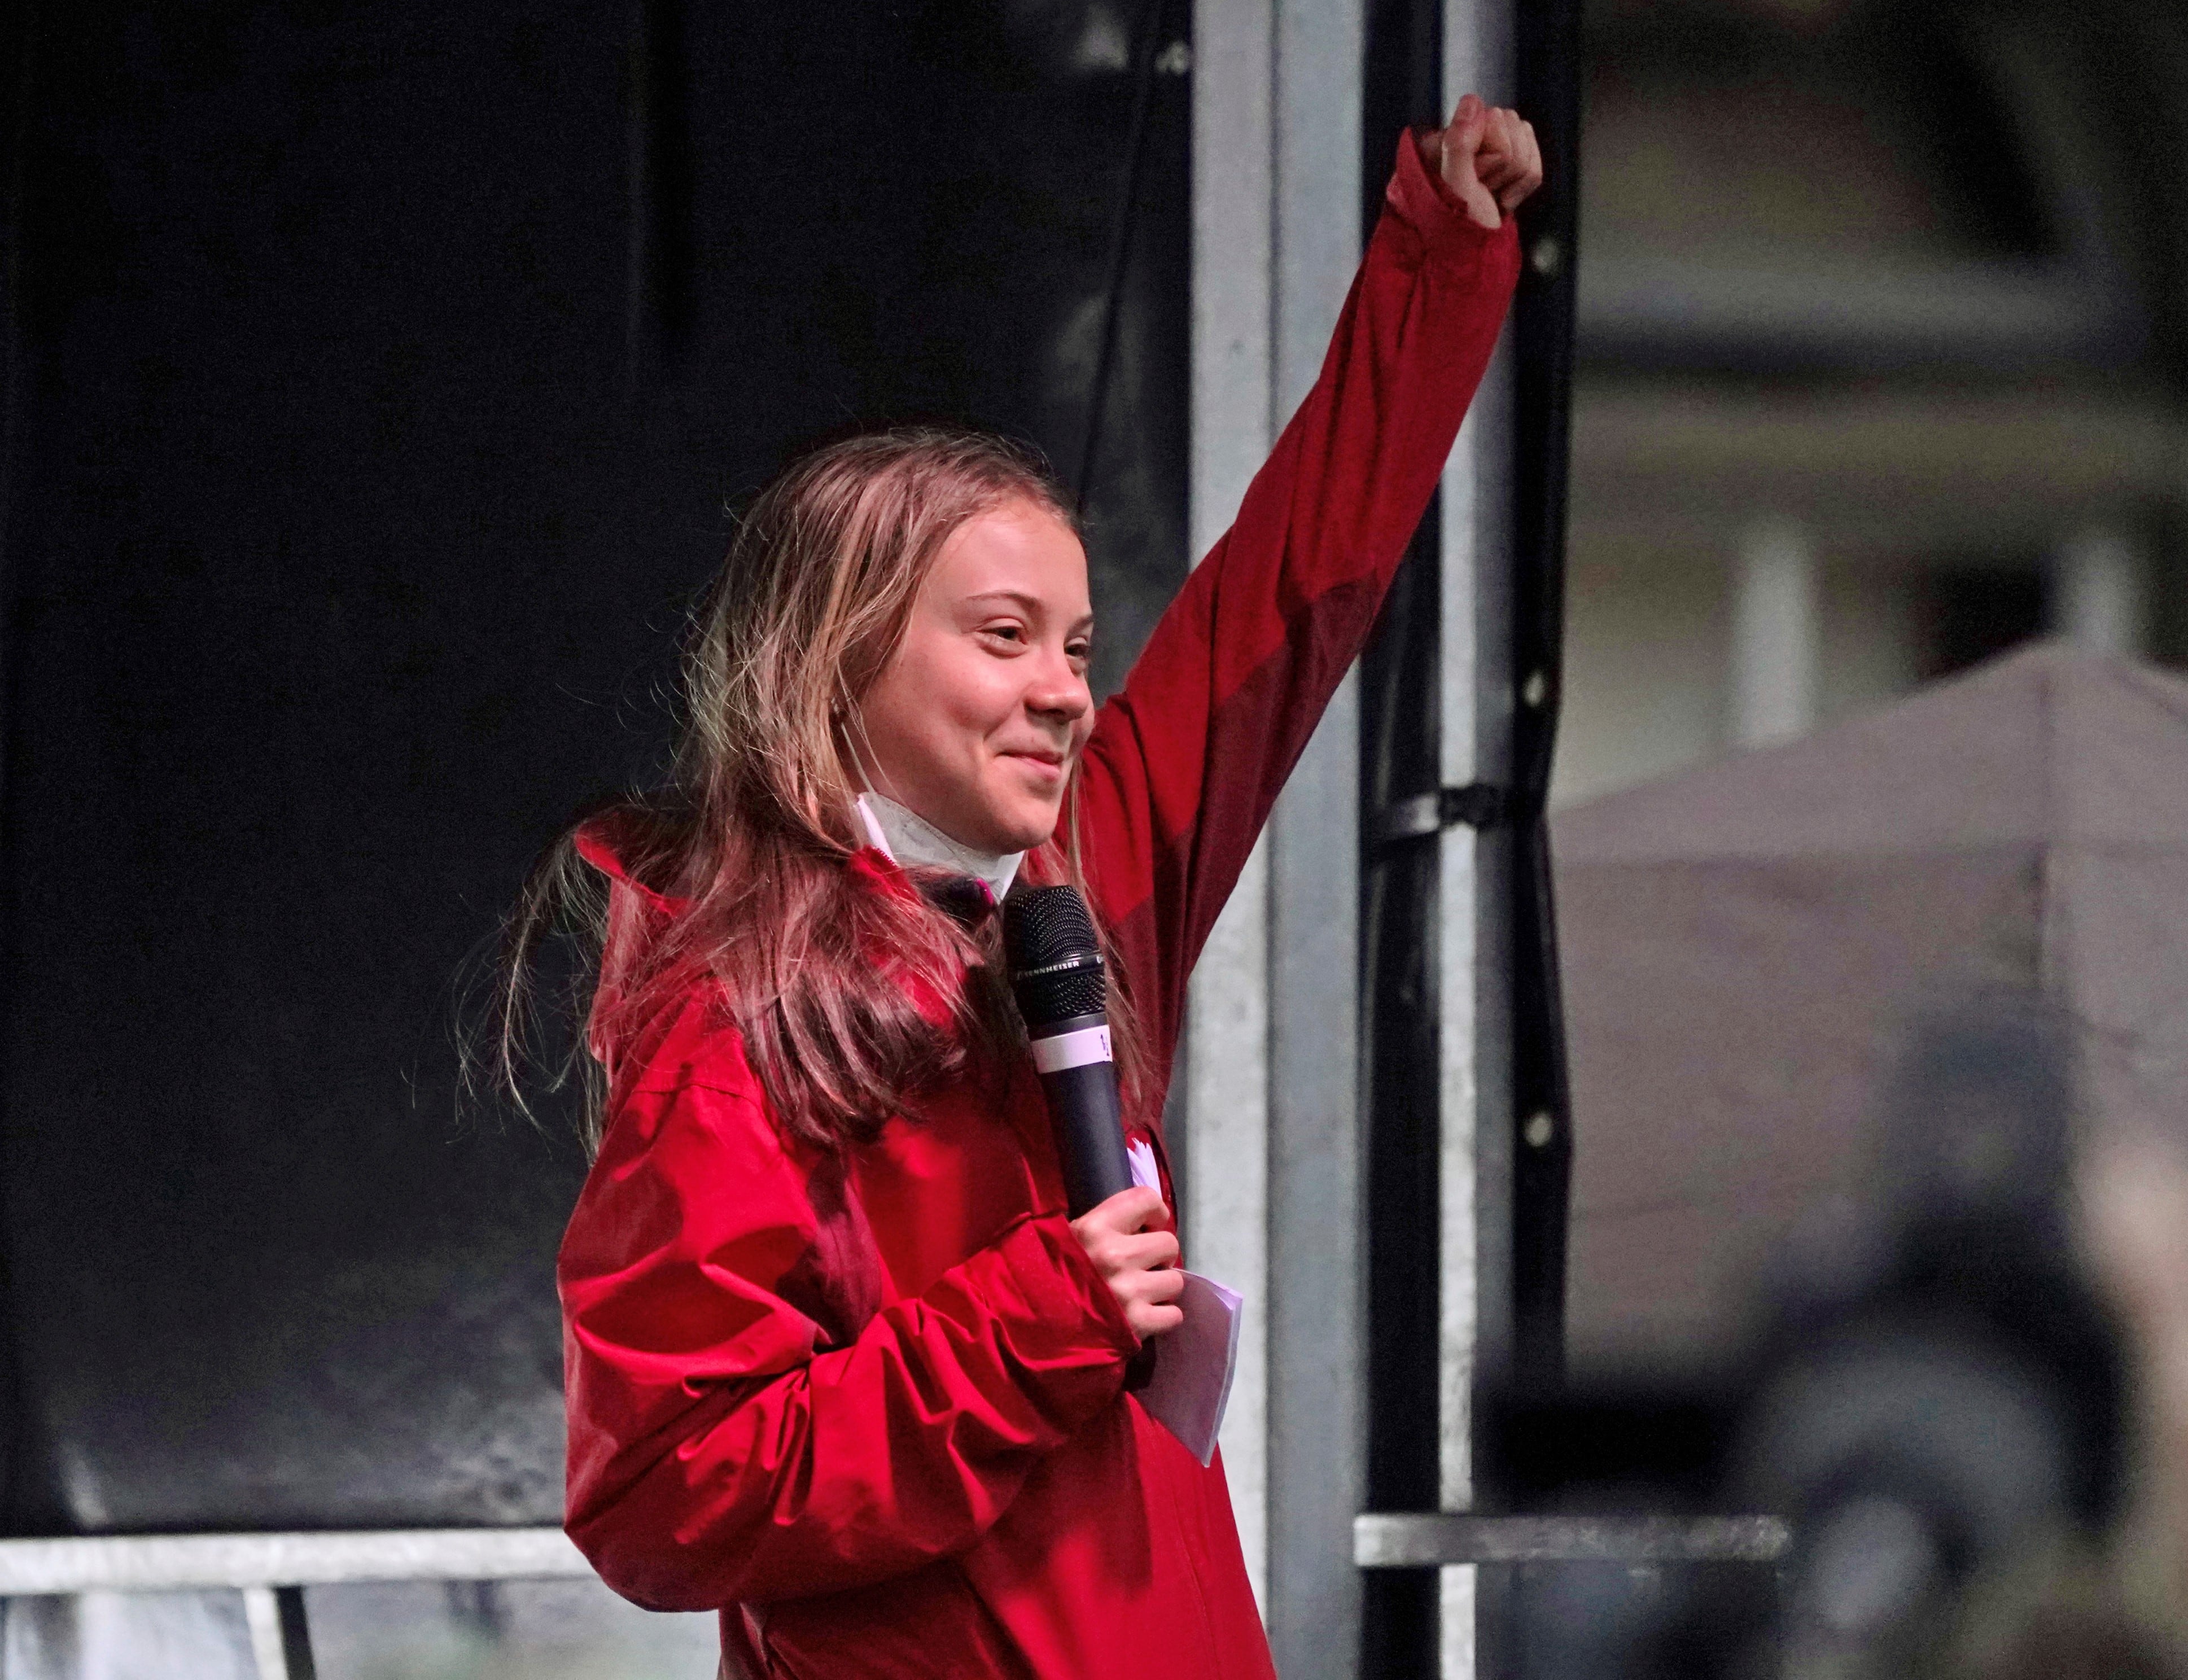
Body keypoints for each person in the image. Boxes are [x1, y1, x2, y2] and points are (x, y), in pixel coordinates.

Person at [505, 95, 1538, 1678]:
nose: (1063, 691)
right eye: (1000, 638)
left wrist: (1438, 257)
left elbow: (1291, 590)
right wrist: (1036, 1316)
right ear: (832, 658)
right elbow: (661, 1486)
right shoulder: (731, 1011)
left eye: (1072, 645)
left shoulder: (1085, 866)